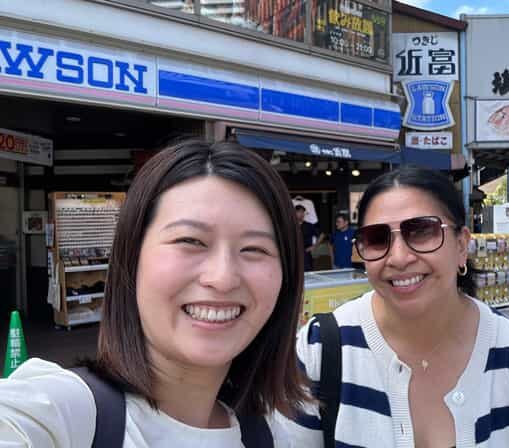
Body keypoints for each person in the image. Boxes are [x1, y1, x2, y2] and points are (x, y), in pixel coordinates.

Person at [0, 140, 309, 446]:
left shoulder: (270, 436)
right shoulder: (62, 416)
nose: (223, 278)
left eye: (254, 249)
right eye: (191, 241)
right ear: (132, 257)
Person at [279, 167, 509, 447]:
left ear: (462, 245)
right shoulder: (319, 350)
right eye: (377, 238)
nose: (399, 258)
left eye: (422, 231)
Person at [296, 204, 322, 271]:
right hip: (294, 254)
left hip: (306, 255)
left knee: (308, 275)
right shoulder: (290, 225)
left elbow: (321, 235)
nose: (301, 214)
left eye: (303, 212)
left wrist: (314, 246)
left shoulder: (309, 225)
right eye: (299, 212)